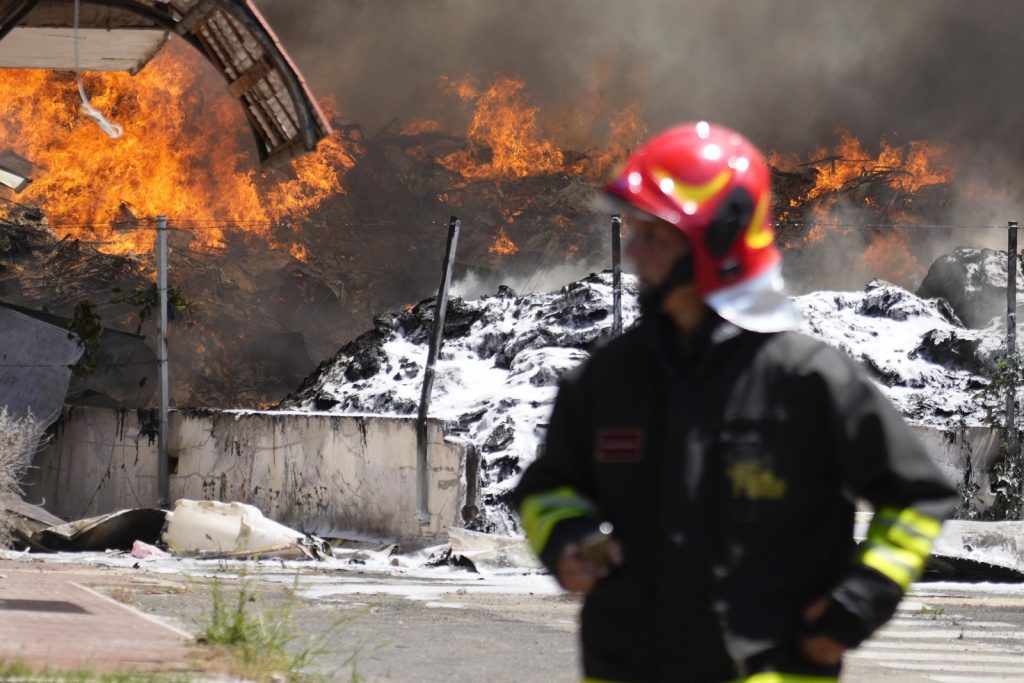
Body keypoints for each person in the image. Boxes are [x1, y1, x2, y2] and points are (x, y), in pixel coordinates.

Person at [512, 122, 958, 683]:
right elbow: (548, 488)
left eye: (655, 235)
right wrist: (567, 539)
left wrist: (859, 601)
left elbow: (916, 498)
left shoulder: (806, 381)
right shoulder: (607, 379)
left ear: (717, 243)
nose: (634, 250)